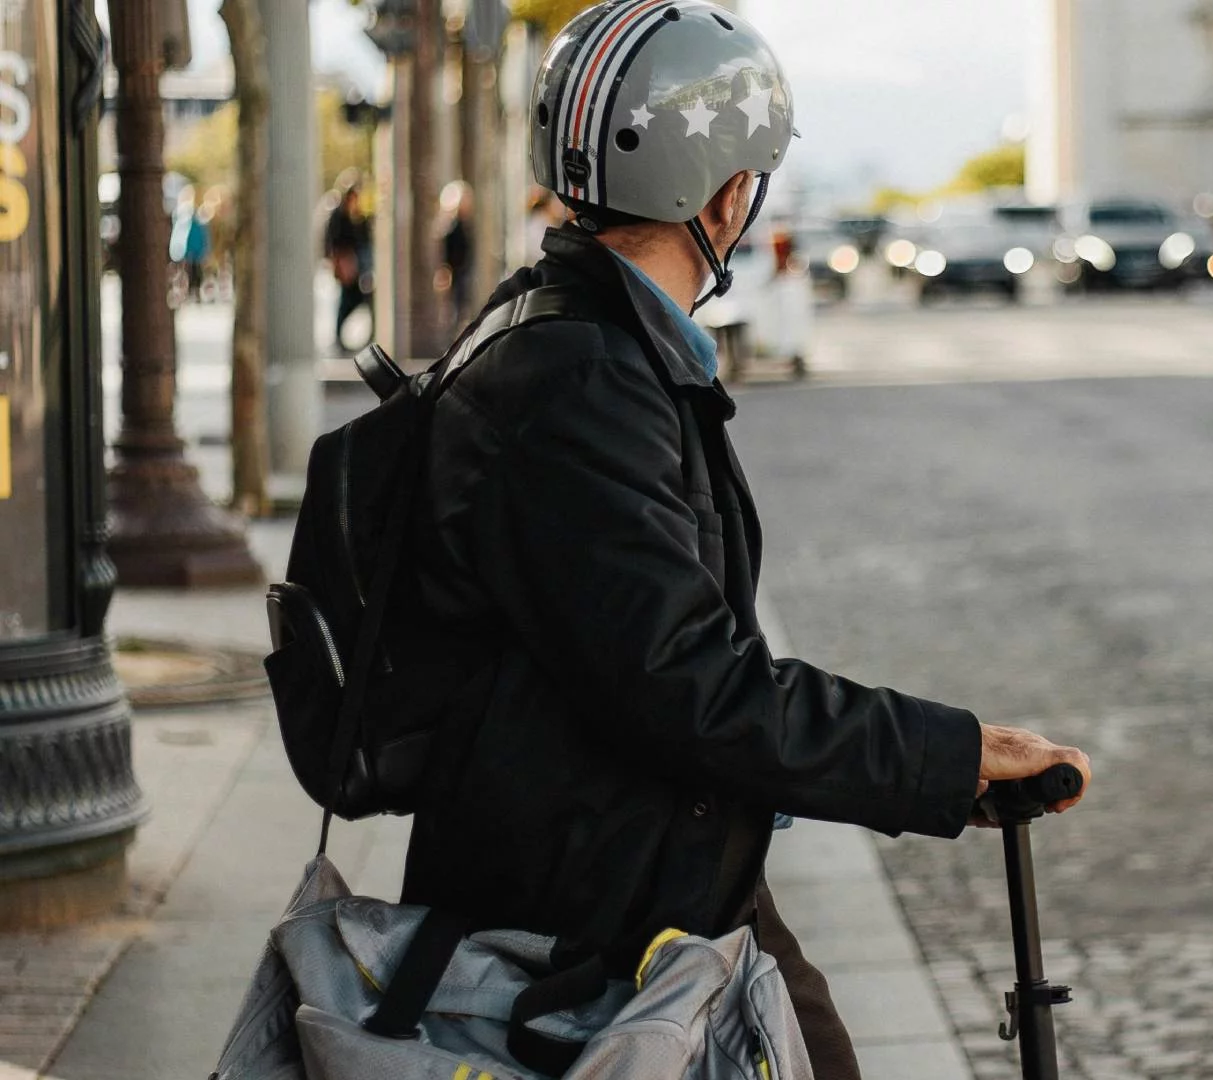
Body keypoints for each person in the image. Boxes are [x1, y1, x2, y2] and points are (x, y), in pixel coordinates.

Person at [394, 4, 1092, 1077]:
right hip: (599, 913)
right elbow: (690, 682)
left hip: (647, 865)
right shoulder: (581, 380)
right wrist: (945, 756)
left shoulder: (572, 340)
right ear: (725, 195)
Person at [323, 177, 372, 352]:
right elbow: (333, 242)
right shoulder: (339, 215)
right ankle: (338, 337)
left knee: (357, 298)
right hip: (346, 263)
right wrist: (338, 263)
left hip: (356, 264)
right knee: (347, 300)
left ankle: (343, 336)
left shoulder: (357, 215)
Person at [437, 180, 475, 328]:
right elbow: (447, 254)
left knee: (461, 307)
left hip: (462, 272)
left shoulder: (465, 225)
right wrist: (445, 271)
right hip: (455, 273)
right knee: (454, 309)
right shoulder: (451, 227)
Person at [168, 184, 210, 303]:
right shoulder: (185, 215)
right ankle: (187, 292)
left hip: (187, 250)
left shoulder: (189, 216)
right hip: (186, 250)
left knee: (190, 272)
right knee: (187, 272)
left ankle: (189, 292)